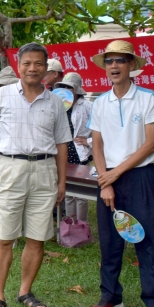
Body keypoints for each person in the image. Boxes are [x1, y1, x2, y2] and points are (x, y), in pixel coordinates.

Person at [0, 43, 71, 307]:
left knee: (37, 237)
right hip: (9, 168)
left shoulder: (55, 102)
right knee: (4, 237)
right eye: (27, 63)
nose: (33, 68)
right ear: (19, 66)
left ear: (47, 68)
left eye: (38, 64)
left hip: (45, 170)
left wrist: (62, 181)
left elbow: (62, 144)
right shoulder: (1, 95)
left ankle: (25, 291)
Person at [88, 40, 154, 307]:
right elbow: (96, 146)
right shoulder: (99, 103)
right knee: (110, 240)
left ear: (132, 65)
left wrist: (115, 173)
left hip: (140, 177)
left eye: (120, 60)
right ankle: (110, 296)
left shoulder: (148, 98)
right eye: (109, 61)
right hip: (108, 177)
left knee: (149, 239)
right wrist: (106, 181)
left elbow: (148, 145)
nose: (114, 66)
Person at [54, 73, 92, 224]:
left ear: (77, 90)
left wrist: (88, 140)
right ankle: (69, 226)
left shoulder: (87, 105)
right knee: (68, 191)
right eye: (64, 86)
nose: (66, 90)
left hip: (80, 153)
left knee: (81, 194)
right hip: (64, 150)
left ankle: (81, 226)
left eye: (70, 87)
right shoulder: (60, 105)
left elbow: (100, 129)